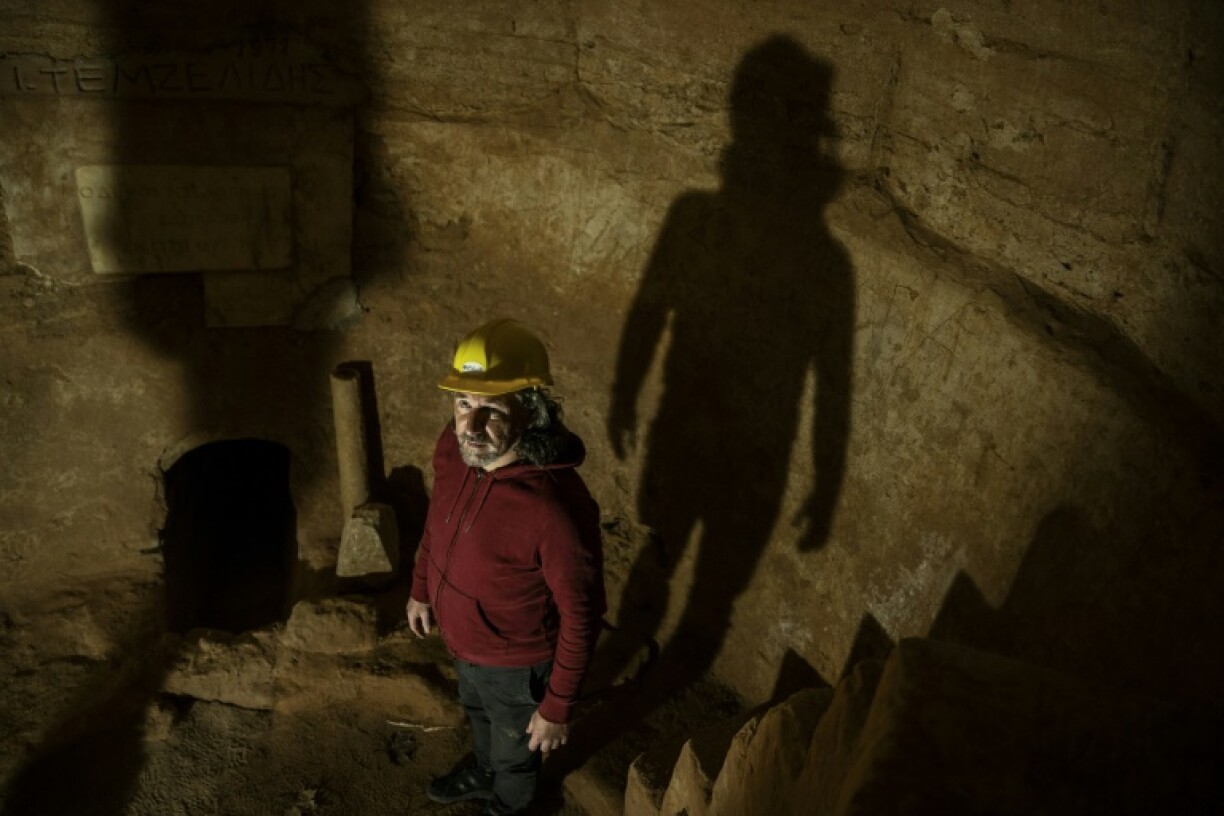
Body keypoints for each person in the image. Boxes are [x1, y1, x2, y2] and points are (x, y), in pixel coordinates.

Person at [405, 318, 605, 816]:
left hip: (517, 666)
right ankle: (483, 769)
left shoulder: (553, 509)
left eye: (491, 408)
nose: (468, 427)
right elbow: (437, 523)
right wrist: (421, 588)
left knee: (518, 753)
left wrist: (557, 707)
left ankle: (510, 805)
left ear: (531, 412)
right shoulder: (453, 449)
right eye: (463, 403)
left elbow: (582, 615)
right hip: (464, 641)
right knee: (478, 716)